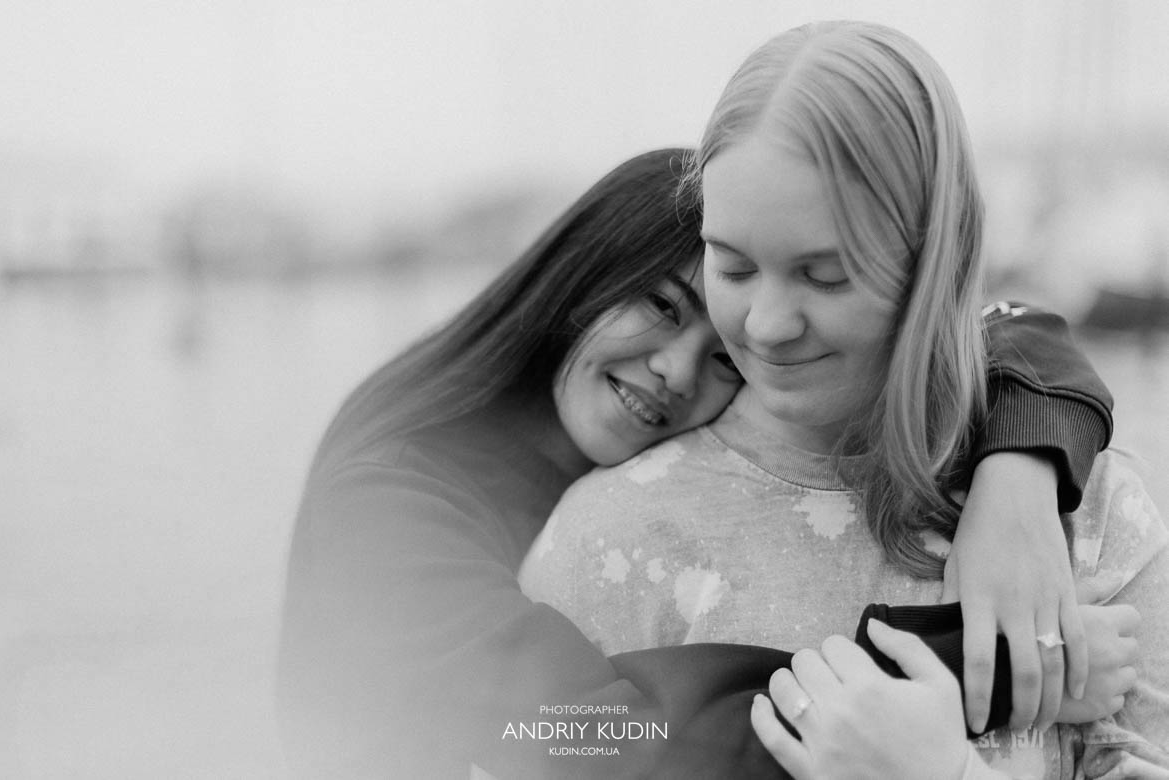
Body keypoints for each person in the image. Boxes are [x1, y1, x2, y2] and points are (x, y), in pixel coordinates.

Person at [278, 147, 1116, 779]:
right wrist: (992, 664)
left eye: (723, 356)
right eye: (657, 305)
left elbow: (1003, 325)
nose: (676, 371)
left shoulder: (606, 474)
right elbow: (595, 735)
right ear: (578, 274)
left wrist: (1020, 475)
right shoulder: (386, 506)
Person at [518, 21, 1168, 778]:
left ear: (935, 261)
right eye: (731, 268)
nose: (766, 325)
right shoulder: (605, 538)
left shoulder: (1088, 519)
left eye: (824, 276)